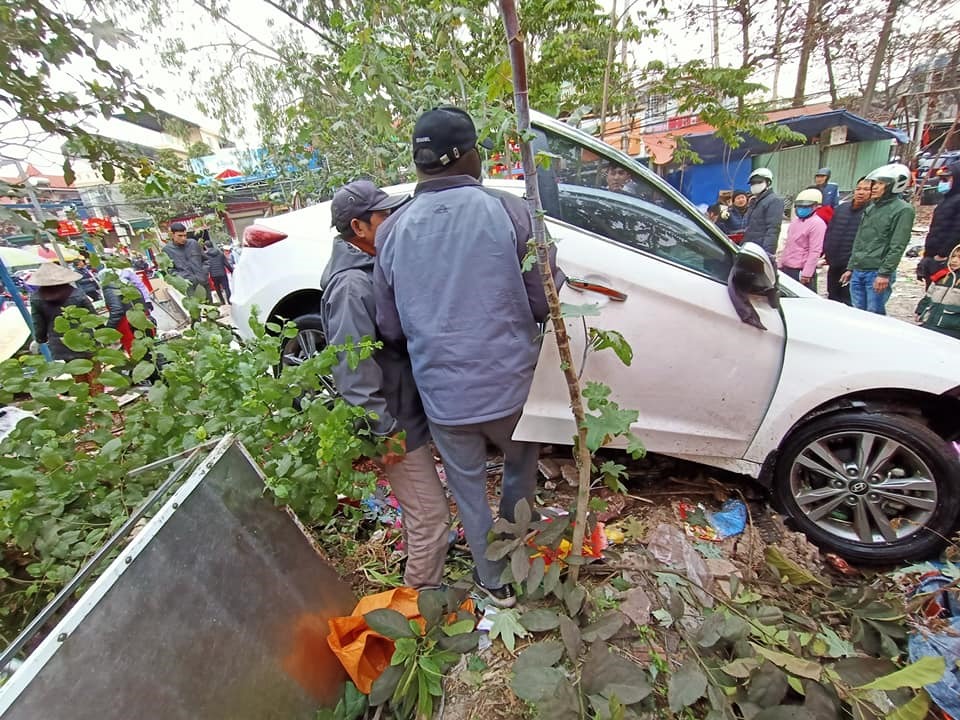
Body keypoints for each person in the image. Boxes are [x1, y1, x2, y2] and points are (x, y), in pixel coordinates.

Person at [374, 106, 564, 607]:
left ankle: (493, 580)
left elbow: (389, 327)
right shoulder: (509, 211)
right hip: (511, 389)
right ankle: (517, 549)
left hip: (444, 398)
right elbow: (546, 297)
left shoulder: (391, 231)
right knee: (520, 467)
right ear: (472, 156)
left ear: (420, 165)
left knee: (468, 488)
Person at [320, 179, 451, 590]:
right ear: (359, 228)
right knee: (432, 516)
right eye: (384, 215)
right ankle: (416, 609)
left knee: (421, 512)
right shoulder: (351, 286)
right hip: (393, 424)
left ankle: (417, 586)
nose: (393, 220)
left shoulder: (370, 267)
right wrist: (383, 429)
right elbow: (353, 371)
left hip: (403, 415)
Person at [841, 163, 915, 315]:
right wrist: (851, 267)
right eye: (875, 183)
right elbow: (860, 240)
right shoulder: (870, 208)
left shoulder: (903, 210)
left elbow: (898, 245)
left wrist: (884, 273)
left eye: (881, 183)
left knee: (874, 315)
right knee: (857, 313)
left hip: (876, 271)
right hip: (859, 269)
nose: (874, 187)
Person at [29, 263, 97, 382]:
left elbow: (38, 323)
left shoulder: (36, 298)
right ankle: (96, 396)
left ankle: (86, 399)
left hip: (60, 343)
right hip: (84, 338)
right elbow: (93, 317)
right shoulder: (76, 293)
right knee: (94, 373)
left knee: (78, 375)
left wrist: (40, 339)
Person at [823, 177, 872, 304]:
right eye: (859, 189)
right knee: (832, 296)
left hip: (852, 265)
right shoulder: (841, 209)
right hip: (834, 262)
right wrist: (826, 252)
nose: (861, 192)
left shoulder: (871, 213)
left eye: (866, 189)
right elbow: (830, 231)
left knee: (848, 300)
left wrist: (853, 265)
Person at [919, 161, 960, 289]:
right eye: (941, 179)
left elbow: (956, 230)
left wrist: (943, 254)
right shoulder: (946, 200)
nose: (942, 183)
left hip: (947, 259)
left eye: (946, 179)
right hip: (934, 256)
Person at [778, 188, 826, 291]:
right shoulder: (795, 222)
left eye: (806, 207)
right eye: (799, 206)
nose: (801, 209)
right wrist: (781, 263)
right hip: (787, 267)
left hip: (801, 270)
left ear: (815, 206)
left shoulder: (817, 224)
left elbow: (815, 250)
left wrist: (807, 273)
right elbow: (788, 244)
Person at [915, 243, 960, 340]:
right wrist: (920, 311)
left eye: (959, 258)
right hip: (930, 322)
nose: (954, 260)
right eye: (953, 256)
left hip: (952, 328)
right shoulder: (941, 276)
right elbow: (929, 296)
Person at [743, 168, 785, 257]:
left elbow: (773, 229)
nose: (755, 185)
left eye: (759, 182)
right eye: (753, 183)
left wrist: (768, 252)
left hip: (761, 249)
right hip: (750, 247)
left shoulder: (774, 200)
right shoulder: (754, 201)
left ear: (768, 182)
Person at [162, 222, 209, 299]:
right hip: (188, 287)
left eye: (185, 235)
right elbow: (169, 271)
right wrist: (184, 278)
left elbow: (205, 260)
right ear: (172, 235)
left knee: (211, 307)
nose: (183, 238)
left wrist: (204, 273)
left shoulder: (193, 243)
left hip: (203, 283)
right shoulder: (167, 250)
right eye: (180, 236)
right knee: (196, 308)